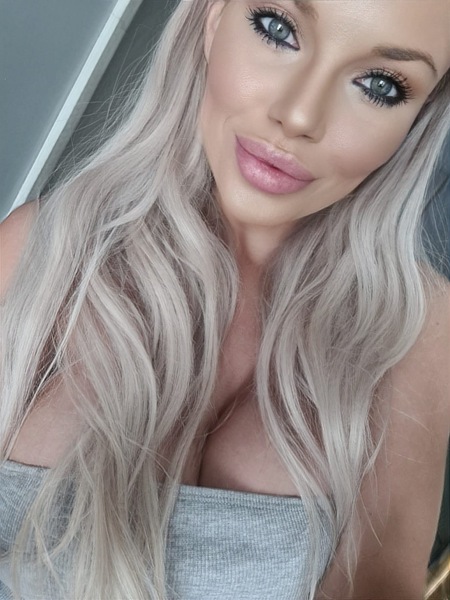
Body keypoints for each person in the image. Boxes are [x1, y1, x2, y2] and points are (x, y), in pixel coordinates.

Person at [1, 0, 449, 598]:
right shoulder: (35, 255)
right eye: (278, 29)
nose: (298, 115)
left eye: (380, 85)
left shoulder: (417, 330)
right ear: (213, 19)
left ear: (418, 118)